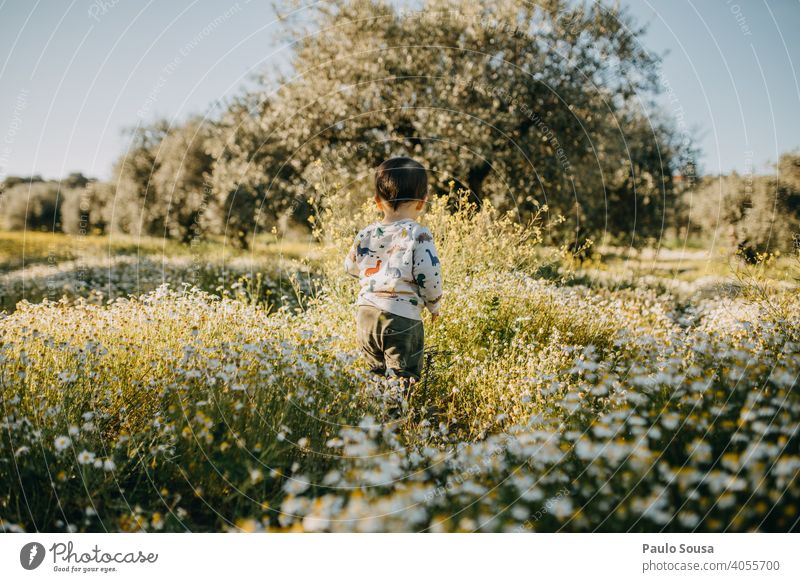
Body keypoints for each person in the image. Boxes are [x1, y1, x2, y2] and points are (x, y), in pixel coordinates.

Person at [344, 157, 443, 387]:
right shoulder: (419, 234)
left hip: (366, 314)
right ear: (422, 201)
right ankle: (394, 421)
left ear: (377, 201)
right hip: (401, 318)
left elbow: (350, 267)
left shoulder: (367, 232)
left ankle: (373, 418)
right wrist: (433, 306)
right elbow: (429, 275)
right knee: (401, 380)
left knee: (374, 376)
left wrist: (372, 281)